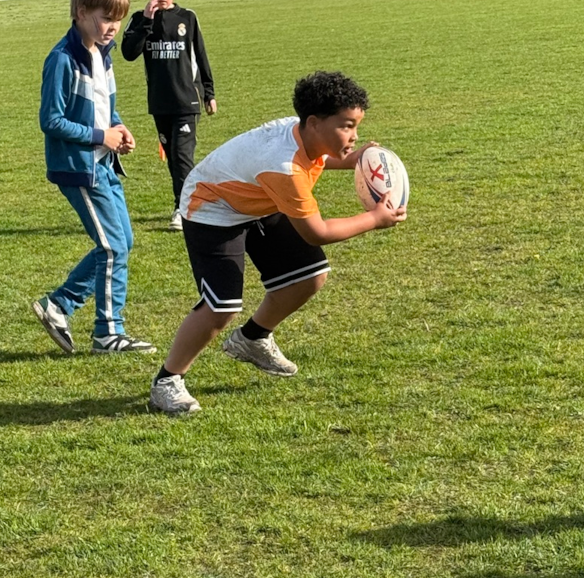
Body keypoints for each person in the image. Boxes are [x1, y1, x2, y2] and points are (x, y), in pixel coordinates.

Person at [148, 70, 406, 416]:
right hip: (211, 207)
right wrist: (375, 219)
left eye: (356, 126)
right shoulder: (283, 167)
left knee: (309, 275)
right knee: (222, 306)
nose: (355, 134)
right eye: (347, 126)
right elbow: (317, 232)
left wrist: (354, 157)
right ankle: (167, 381)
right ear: (314, 123)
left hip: (257, 198)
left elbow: (320, 156)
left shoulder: (302, 133)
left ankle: (252, 338)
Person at [31, 0, 159, 355]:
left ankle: (60, 306)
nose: (113, 27)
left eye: (118, 20)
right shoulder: (62, 59)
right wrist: (101, 136)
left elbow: (104, 106)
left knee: (121, 242)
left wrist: (118, 128)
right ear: (82, 12)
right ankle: (107, 332)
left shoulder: (103, 54)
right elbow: (51, 121)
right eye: (106, 18)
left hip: (103, 163)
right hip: (79, 167)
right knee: (112, 246)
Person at [119, 0, 217, 233]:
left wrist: (209, 92)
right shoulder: (139, 19)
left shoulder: (187, 18)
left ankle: (183, 209)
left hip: (187, 100)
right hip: (160, 102)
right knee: (173, 159)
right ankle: (189, 201)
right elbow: (129, 53)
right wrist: (147, 21)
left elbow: (200, 56)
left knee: (182, 155)